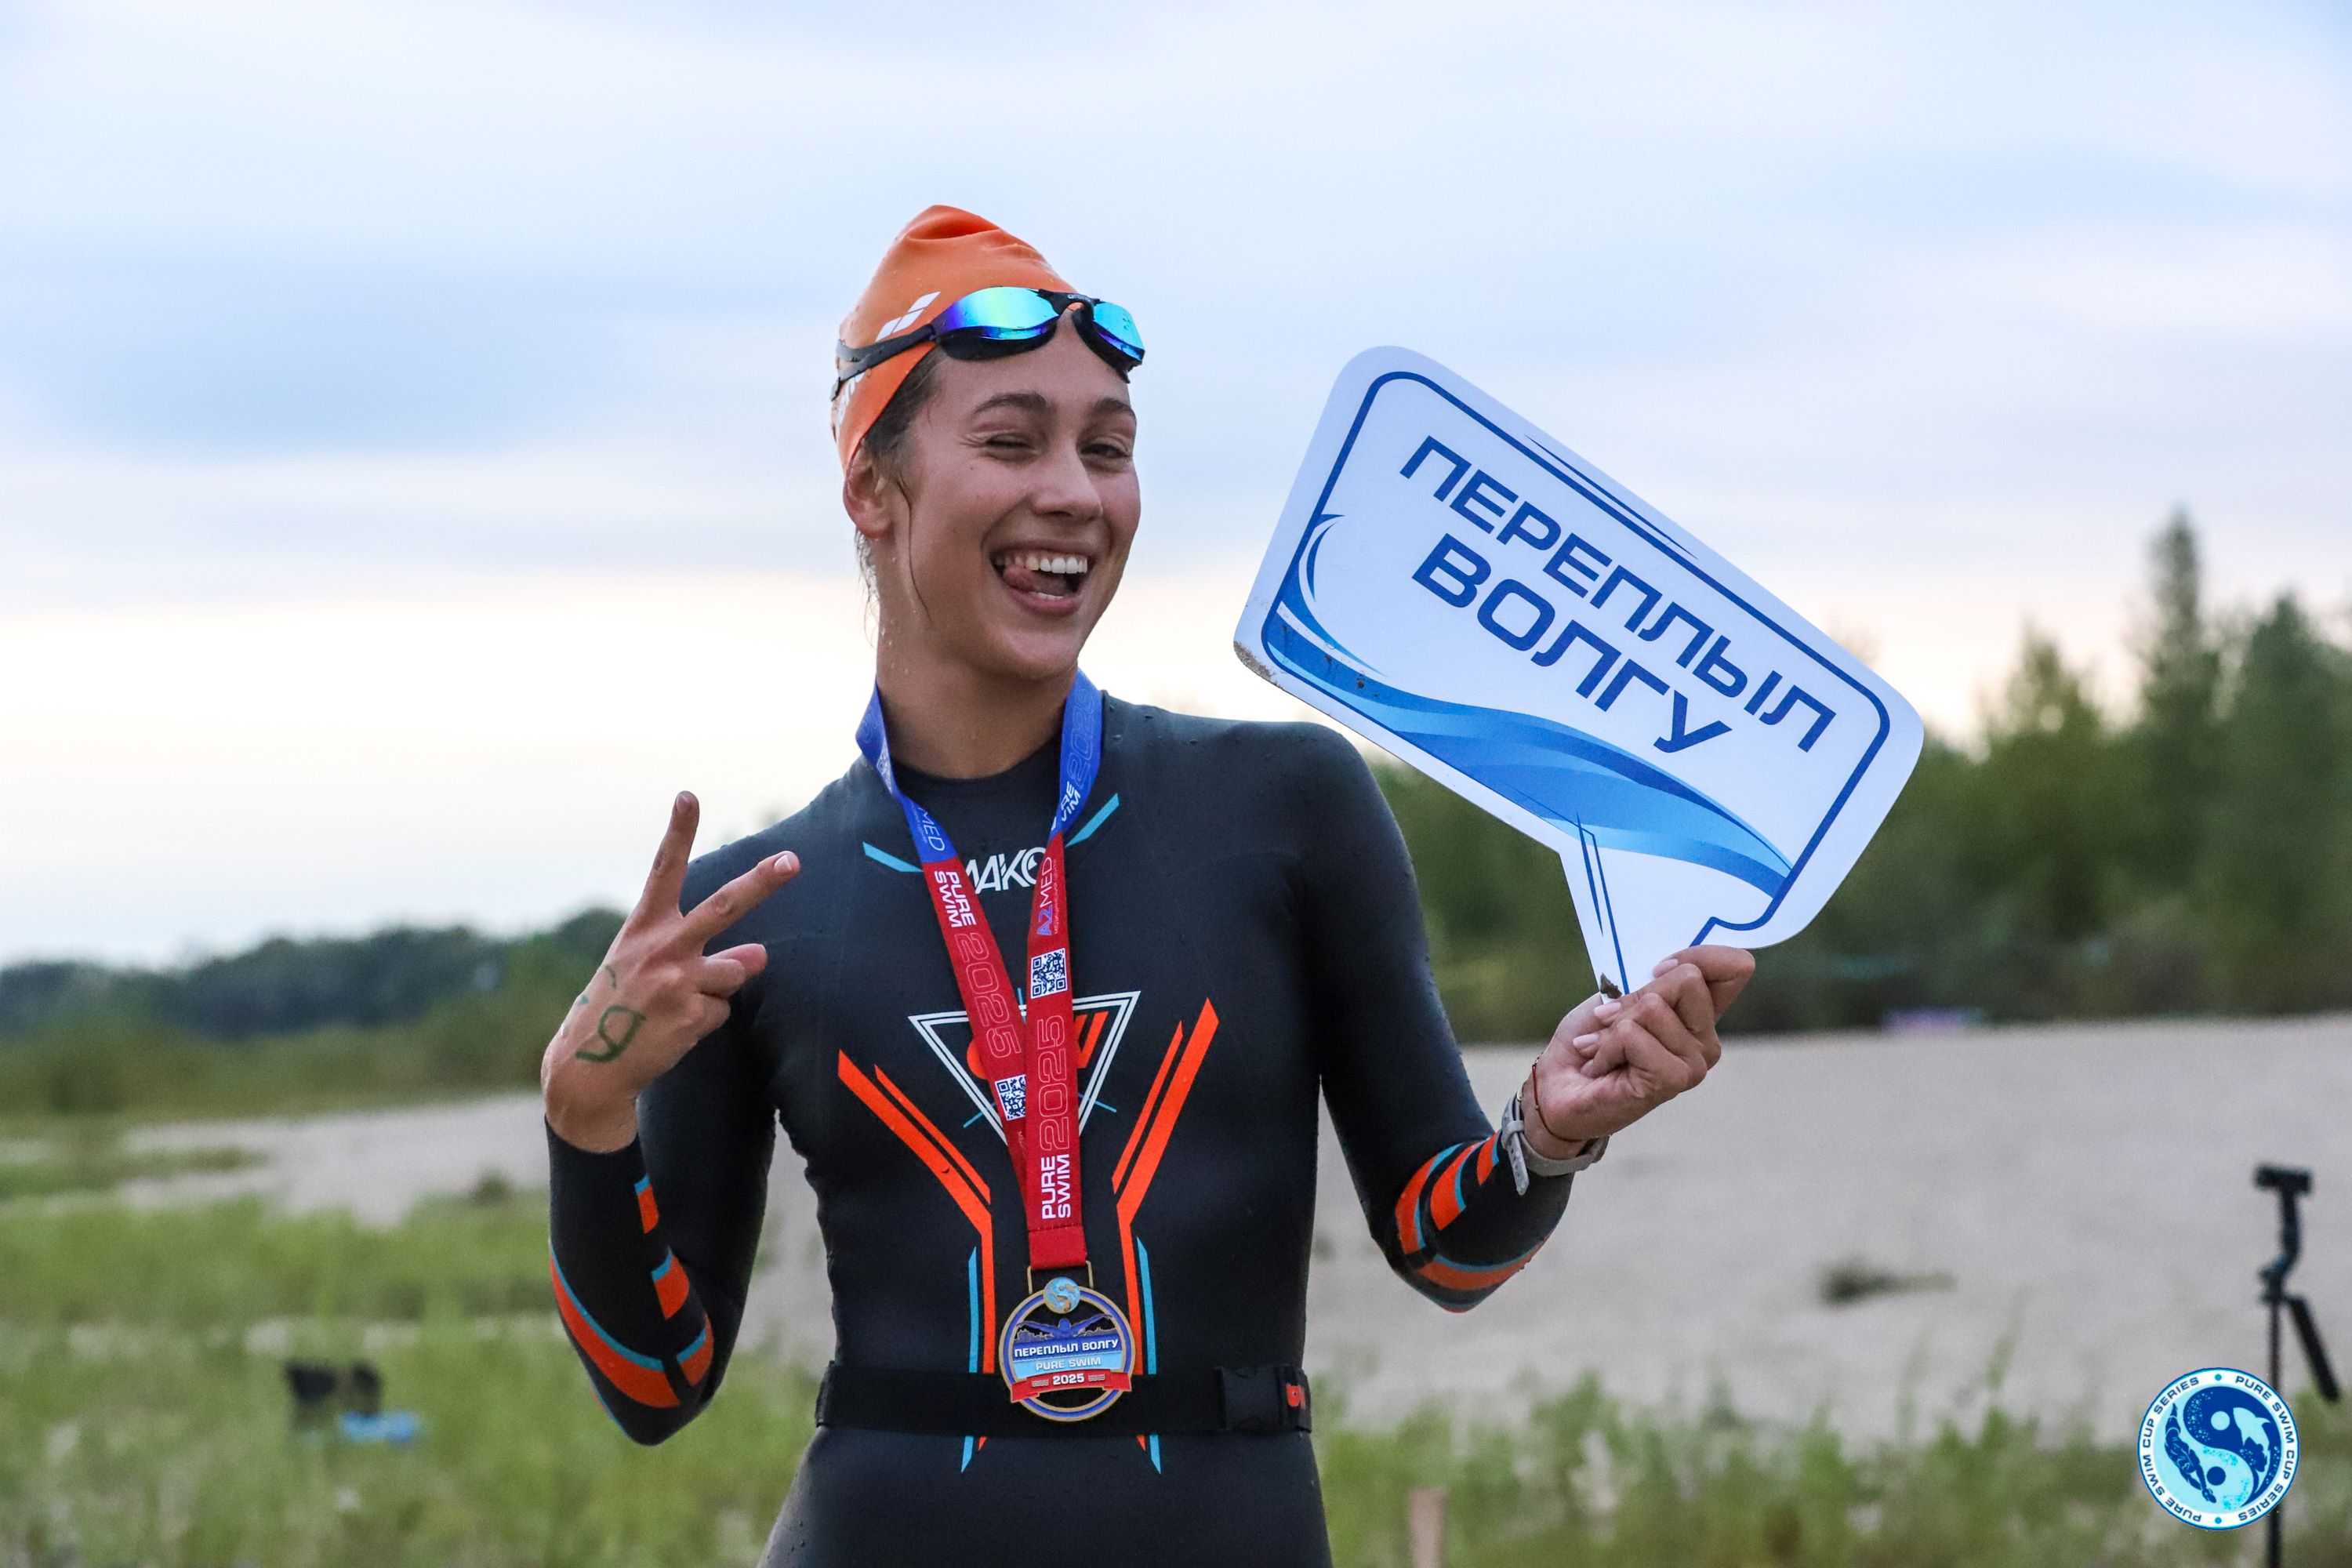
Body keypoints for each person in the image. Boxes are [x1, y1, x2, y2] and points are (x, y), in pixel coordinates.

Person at [539, 205, 1755, 1567]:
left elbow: (1446, 1247)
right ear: (871, 489)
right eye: (1013, 442)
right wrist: (587, 1116)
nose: (1076, 491)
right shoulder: (755, 907)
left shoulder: (1283, 807)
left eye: (1107, 448)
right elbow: (657, 1384)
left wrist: (1548, 1130)